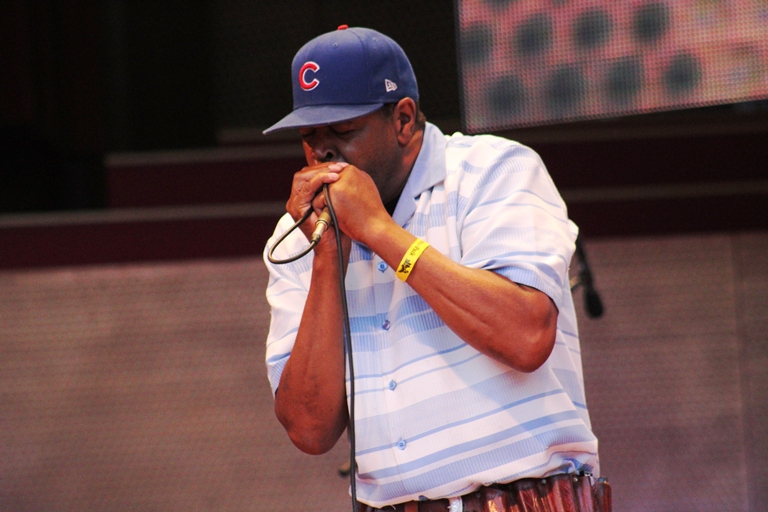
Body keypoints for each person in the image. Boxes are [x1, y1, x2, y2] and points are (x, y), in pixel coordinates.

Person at [263, 25, 601, 511]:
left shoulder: (493, 169)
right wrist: (328, 253)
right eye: (308, 137)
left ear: (402, 119)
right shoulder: (299, 233)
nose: (323, 153)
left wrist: (379, 231)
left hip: (525, 500)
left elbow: (527, 336)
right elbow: (309, 430)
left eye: (343, 131)